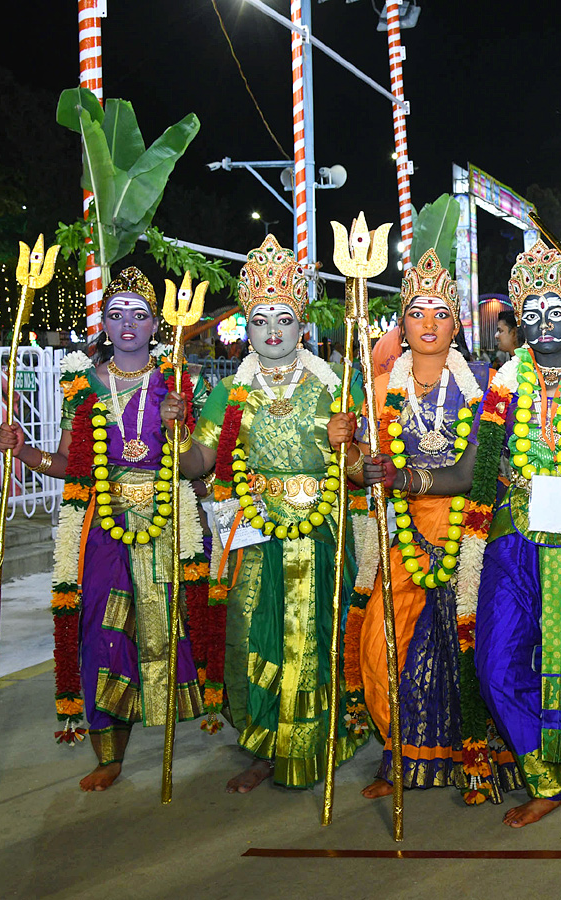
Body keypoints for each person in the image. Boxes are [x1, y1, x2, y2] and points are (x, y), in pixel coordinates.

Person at [0, 266, 209, 791]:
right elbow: (73, 462)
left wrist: (178, 426)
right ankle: (108, 753)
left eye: (140, 314)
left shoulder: (178, 380)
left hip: (162, 525)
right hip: (101, 527)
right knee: (101, 630)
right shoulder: (81, 384)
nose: (128, 325)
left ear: (157, 323)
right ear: (105, 326)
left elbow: (203, 466)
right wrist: (23, 449)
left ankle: (166, 726)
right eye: (116, 315)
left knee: (164, 628)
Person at [177, 235, 372, 792]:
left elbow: (365, 470)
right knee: (253, 635)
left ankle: (316, 740)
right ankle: (264, 744)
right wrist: (171, 438)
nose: (271, 331)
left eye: (282, 318)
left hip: (319, 531)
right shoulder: (229, 392)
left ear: (301, 324)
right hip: (254, 527)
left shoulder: (336, 384)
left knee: (311, 637)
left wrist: (348, 445)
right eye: (259, 320)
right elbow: (199, 462)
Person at [457, 240, 561, 828]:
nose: (544, 325)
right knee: (497, 659)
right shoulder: (502, 386)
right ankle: (544, 772)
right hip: (515, 537)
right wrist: (406, 474)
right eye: (531, 312)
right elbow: (477, 470)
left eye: (557, 311)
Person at [352, 249, 497, 798]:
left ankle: (468, 758)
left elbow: (471, 472)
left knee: (460, 647)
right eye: (418, 312)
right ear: (402, 322)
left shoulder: (482, 385)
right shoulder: (380, 384)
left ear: (456, 322)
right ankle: (403, 750)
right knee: (381, 644)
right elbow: (363, 470)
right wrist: (349, 449)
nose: (429, 324)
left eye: (441, 312)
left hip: (466, 532)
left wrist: (405, 478)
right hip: (403, 533)